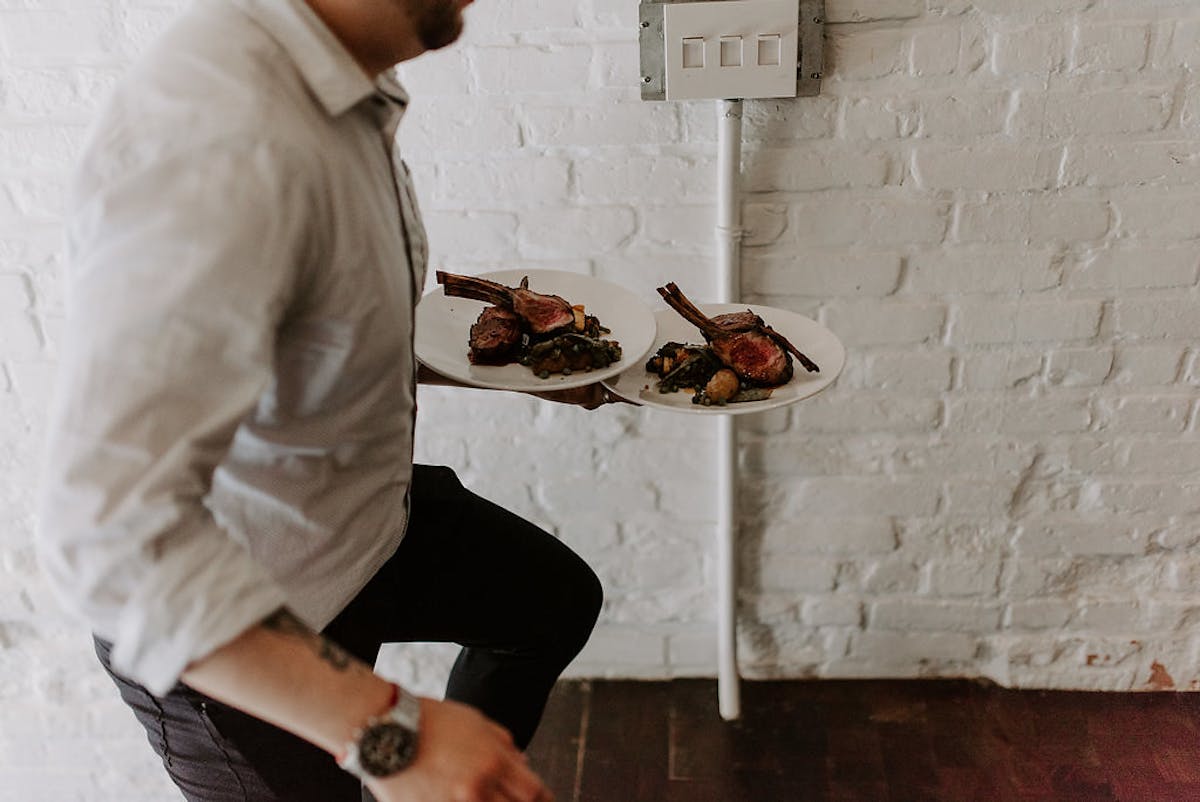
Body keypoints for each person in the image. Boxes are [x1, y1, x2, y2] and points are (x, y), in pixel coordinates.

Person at [36, 0, 619, 800]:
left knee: (549, 603)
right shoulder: (219, 129)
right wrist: (394, 734)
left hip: (360, 531)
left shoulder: (338, 88)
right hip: (234, 621)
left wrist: (533, 365)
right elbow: (105, 530)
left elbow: (326, 324)